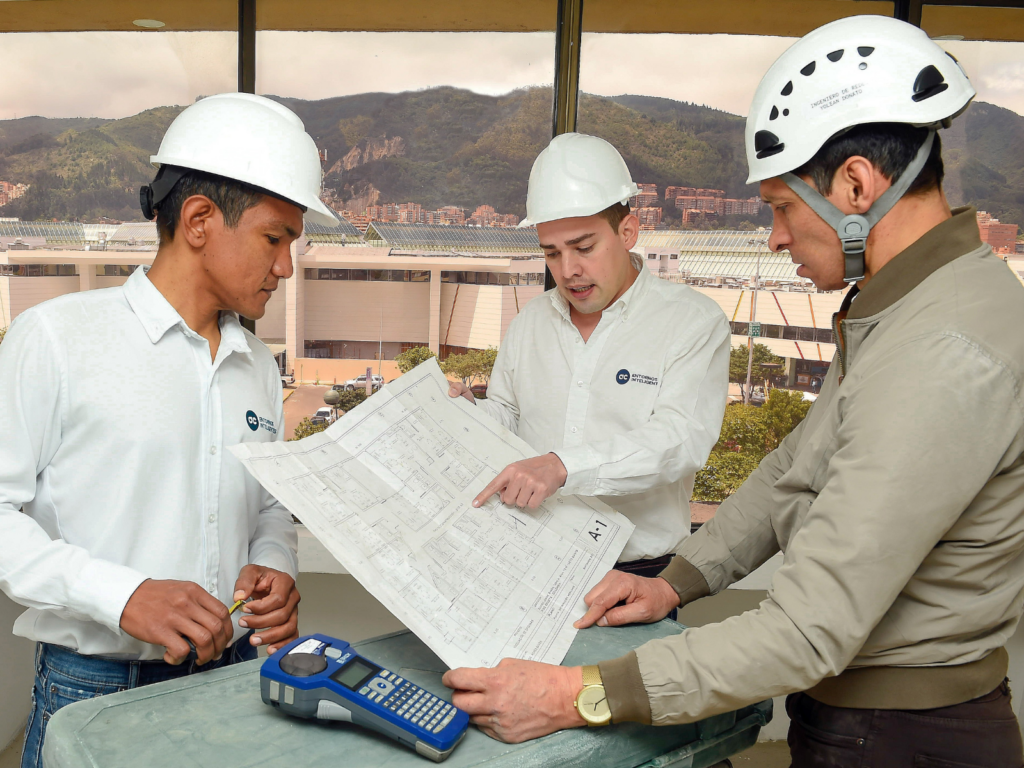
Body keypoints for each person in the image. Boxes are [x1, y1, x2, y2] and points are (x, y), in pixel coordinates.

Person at [442, 16, 1024, 766]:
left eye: (782, 207)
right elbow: (793, 469)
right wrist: (678, 583)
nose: (775, 237)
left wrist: (575, 694)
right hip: (866, 715)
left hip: (901, 734)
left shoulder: (939, 348)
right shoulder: (903, 310)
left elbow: (806, 628)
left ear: (856, 185)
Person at [0, 92, 340, 768]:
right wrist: (123, 596)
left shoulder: (257, 366)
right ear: (199, 220)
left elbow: (269, 507)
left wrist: (274, 567)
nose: (285, 267)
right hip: (96, 691)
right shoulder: (57, 340)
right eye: (275, 239)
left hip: (232, 680)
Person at [448, 132, 731, 584]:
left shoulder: (692, 322)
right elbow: (509, 415)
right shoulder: (531, 320)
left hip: (638, 574)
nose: (568, 271)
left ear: (628, 232)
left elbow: (679, 441)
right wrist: (468, 413)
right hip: (529, 559)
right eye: (552, 253)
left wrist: (563, 467)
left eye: (584, 248)